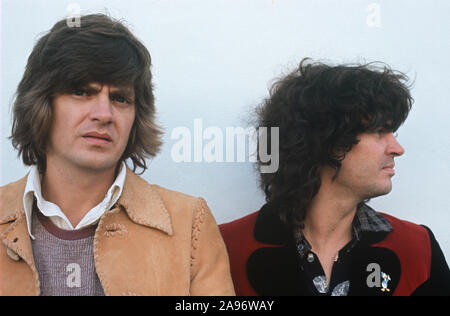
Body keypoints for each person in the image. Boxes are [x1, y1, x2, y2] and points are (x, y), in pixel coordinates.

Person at [0, 14, 235, 296]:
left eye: (120, 98)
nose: (104, 114)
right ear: (41, 103)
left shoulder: (189, 223)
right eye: (81, 92)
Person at [219, 59, 450, 296]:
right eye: (379, 131)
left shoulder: (417, 248)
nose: (397, 148)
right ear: (325, 140)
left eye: (393, 132)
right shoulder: (223, 247)